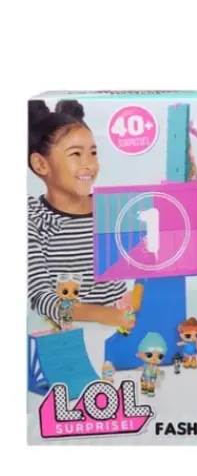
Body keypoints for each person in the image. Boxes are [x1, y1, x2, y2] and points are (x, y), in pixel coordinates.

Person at [28, 100, 133, 330]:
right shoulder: (35, 218)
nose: (90, 165)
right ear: (41, 164)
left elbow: (144, 265)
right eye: (76, 154)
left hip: (121, 328)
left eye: (93, 153)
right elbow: (40, 297)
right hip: (69, 333)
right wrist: (100, 314)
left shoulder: (111, 209)